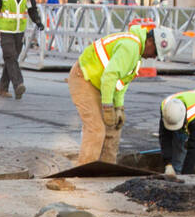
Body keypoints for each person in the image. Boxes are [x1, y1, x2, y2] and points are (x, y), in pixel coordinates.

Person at [68, 23, 168, 164]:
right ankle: (86, 172)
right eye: (155, 52)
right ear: (150, 41)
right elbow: (110, 77)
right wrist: (108, 107)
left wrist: (119, 108)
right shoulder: (130, 46)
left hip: (100, 83)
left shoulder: (137, 53)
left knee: (113, 127)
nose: (153, 57)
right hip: (84, 77)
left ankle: (107, 169)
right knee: (96, 129)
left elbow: (120, 83)